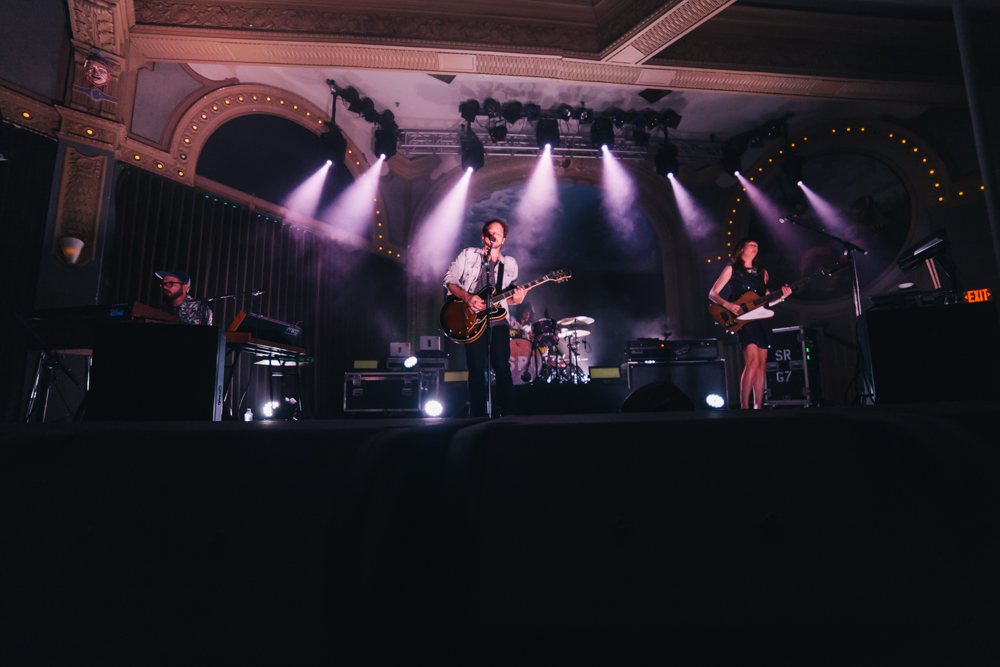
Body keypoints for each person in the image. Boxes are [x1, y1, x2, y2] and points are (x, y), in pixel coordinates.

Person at [443, 219, 526, 417]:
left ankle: (506, 412)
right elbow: (449, 279)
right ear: (483, 235)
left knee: (502, 365)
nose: (494, 235)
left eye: (499, 233)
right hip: (471, 318)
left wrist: (517, 299)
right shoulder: (468, 254)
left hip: (498, 320)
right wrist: (467, 297)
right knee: (476, 366)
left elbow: (508, 298)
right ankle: (477, 413)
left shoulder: (510, 264)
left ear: (504, 239)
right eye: (491, 231)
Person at [708, 239, 791, 409]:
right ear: (741, 249)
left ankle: (758, 406)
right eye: (752, 245)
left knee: (761, 364)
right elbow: (713, 293)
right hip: (744, 321)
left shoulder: (762, 273)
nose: (756, 248)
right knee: (752, 362)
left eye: (757, 246)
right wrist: (728, 305)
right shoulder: (732, 269)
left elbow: (766, 302)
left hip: (762, 320)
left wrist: (782, 297)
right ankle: (744, 407)